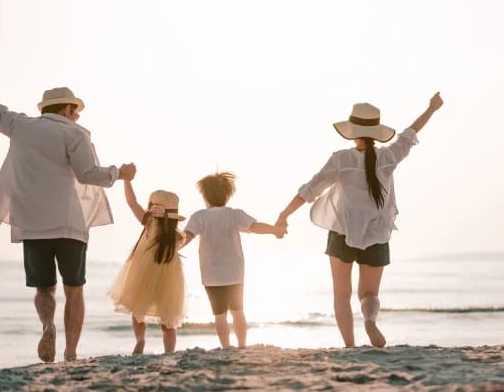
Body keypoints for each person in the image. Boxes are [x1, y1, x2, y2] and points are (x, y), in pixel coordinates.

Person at [0, 69, 136, 363]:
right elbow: (87, 174)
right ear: (67, 109)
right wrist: (119, 173)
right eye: (76, 112)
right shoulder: (75, 134)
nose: (77, 118)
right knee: (74, 289)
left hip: (31, 223)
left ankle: (47, 325)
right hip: (69, 223)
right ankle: (70, 352)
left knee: (44, 287)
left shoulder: (20, 125)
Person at [275, 92, 444, 348]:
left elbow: (310, 190)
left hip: (342, 232)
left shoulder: (341, 159)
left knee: (341, 295)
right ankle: (369, 319)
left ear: (352, 131)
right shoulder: (389, 156)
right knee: (369, 294)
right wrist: (431, 108)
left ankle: (350, 346)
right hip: (377, 233)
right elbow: (410, 133)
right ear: (376, 132)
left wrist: (284, 215)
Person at [182, 172, 282, 349]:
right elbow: (255, 227)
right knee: (238, 312)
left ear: (204, 196)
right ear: (227, 195)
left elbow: (187, 236)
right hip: (235, 272)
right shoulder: (235, 214)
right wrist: (274, 229)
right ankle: (242, 344)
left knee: (219, 315)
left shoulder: (199, 217)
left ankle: (226, 346)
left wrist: (172, 247)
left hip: (211, 273)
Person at [108, 178, 187, 354]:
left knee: (138, 309)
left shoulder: (149, 223)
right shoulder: (177, 236)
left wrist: (127, 180)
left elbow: (131, 202)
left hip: (143, 272)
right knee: (168, 318)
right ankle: (169, 352)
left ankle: (140, 339)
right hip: (170, 278)